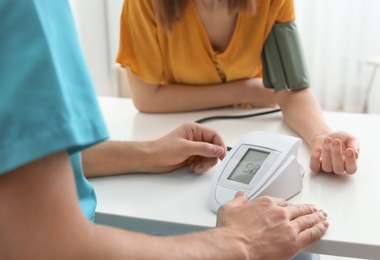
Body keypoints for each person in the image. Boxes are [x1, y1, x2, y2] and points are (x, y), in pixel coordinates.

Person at [0, 0, 328, 259]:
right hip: (84, 234)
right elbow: (45, 246)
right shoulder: (27, 9)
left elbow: (26, 154)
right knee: (290, 243)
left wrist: (147, 152)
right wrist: (238, 244)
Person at [116, 0, 360, 175]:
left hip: (246, 144)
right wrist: (248, 90)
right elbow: (146, 98)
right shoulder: (144, 4)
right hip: (168, 142)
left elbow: (291, 89)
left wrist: (321, 137)